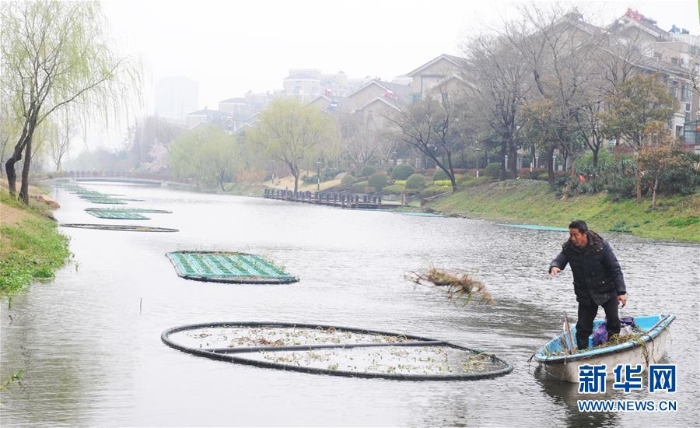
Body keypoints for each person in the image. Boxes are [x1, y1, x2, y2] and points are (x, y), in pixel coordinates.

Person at [549, 220, 628, 350]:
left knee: (613, 323)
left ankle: (612, 348)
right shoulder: (569, 248)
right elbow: (560, 259)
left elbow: (615, 269)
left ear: (584, 234)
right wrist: (555, 266)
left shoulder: (601, 247)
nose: (572, 238)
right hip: (585, 293)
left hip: (607, 290)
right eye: (571, 235)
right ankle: (582, 352)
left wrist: (621, 292)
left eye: (575, 235)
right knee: (582, 327)